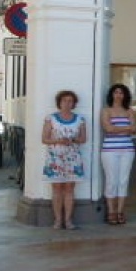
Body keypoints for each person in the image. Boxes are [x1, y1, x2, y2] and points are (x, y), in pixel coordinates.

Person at [41, 89, 87, 230]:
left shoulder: (80, 119)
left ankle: (68, 220)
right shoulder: (51, 118)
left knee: (69, 189)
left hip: (72, 158)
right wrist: (58, 141)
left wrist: (72, 139)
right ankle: (57, 220)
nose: (67, 103)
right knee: (56, 188)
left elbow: (83, 139)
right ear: (59, 103)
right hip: (55, 158)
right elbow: (44, 139)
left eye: (70, 101)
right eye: (64, 101)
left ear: (74, 104)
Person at [100, 83, 136, 225]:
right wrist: (126, 128)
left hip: (127, 150)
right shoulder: (106, 111)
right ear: (111, 95)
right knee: (111, 180)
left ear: (125, 95)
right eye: (116, 92)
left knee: (123, 180)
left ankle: (120, 211)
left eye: (121, 92)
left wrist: (118, 128)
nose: (118, 95)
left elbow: (135, 129)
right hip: (110, 150)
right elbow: (107, 129)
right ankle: (111, 211)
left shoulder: (130, 111)